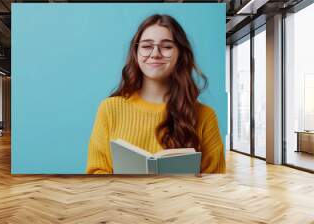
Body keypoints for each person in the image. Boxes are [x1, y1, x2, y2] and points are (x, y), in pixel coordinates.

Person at [86, 14, 225, 174]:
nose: (155, 53)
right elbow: (97, 172)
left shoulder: (205, 116)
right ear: (136, 53)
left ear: (180, 54)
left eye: (166, 46)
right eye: (146, 46)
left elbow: (215, 181)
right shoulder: (109, 109)